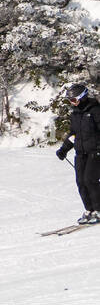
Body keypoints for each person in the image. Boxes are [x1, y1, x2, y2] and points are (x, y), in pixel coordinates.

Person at [56, 83, 100, 224]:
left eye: (74, 100)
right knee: (80, 182)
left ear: (83, 97)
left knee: (90, 180)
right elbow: (73, 134)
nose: (72, 103)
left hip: (95, 152)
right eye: (70, 101)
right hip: (80, 153)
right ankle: (89, 210)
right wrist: (64, 149)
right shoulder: (75, 114)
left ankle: (98, 210)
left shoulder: (95, 110)